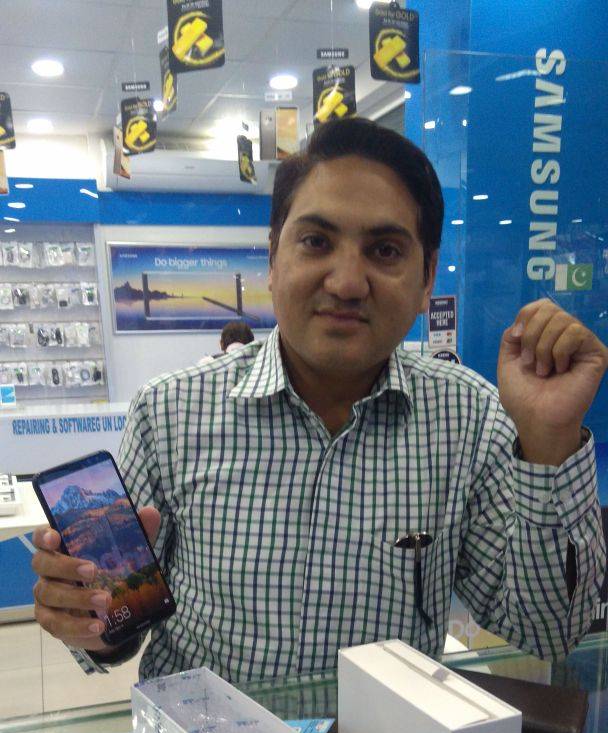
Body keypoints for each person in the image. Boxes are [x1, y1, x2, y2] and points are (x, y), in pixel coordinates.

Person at [32, 117, 607, 684]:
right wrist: (91, 618)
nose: (347, 282)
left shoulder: (470, 421)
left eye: (385, 250)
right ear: (273, 257)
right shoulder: (168, 414)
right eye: (316, 242)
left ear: (427, 277)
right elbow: (113, 620)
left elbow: (547, 633)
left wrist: (550, 443)